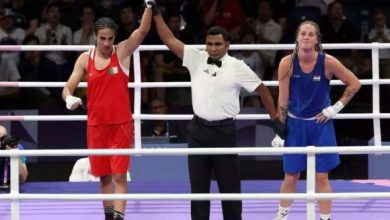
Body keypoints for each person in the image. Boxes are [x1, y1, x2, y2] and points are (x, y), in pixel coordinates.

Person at [147, 2, 285, 220]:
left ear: (227, 45)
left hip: (224, 132)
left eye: (218, 44)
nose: (213, 48)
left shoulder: (237, 66)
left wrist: (275, 120)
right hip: (198, 131)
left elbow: (264, 92)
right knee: (198, 188)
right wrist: (155, 13)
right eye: (210, 44)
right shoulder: (196, 58)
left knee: (230, 187)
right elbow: (169, 39)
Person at [61, 2, 152, 220]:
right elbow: (67, 87)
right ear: (95, 36)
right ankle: (109, 216)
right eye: (102, 38)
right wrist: (69, 98)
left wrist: (149, 7)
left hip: (120, 125)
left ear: (115, 37)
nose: (106, 43)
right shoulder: (85, 59)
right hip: (96, 127)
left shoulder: (121, 53)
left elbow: (142, 31)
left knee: (120, 176)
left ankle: (119, 217)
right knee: (103, 177)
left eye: (110, 38)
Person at [272, 20, 361, 220]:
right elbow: (283, 99)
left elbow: (354, 83)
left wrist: (335, 108)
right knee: (291, 175)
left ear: (317, 39)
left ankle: (325, 218)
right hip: (295, 124)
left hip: (320, 123)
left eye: (311, 34)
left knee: (322, 176)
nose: (306, 37)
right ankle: (281, 216)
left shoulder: (327, 61)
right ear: (296, 37)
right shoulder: (287, 63)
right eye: (303, 33)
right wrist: (280, 129)